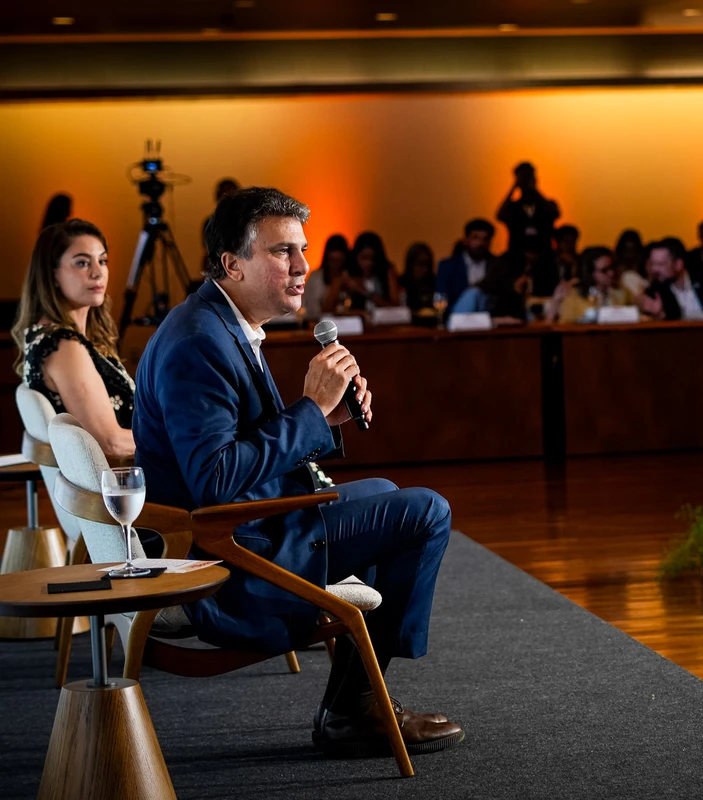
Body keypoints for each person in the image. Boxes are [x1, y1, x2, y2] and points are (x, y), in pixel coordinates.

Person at [132, 187, 463, 755]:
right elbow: (213, 480)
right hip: (228, 553)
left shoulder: (220, 322)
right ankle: (355, 707)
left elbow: (235, 450)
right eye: (283, 252)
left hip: (246, 522)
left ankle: (357, 696)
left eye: (302, 250)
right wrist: (308, 411)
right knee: (426, 511)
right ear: (231, 264)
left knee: (386, 491)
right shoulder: (198, 343)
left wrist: (324, 419)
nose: (303, 266)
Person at [11, 219, 135, 458]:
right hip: (126, 484)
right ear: (52, 274)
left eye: (102, 261)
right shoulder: (63, 346)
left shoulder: (51, 337)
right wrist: (180, 440)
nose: (98, 272)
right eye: (82, 263)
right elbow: (110, 442)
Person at [544, 246, 632, 323]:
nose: (611, 273)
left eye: (612, 268)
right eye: (604, 270)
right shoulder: (573, 296)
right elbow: (567, 325)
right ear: (590, 273)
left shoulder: (622, 292)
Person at [496, 161, 560, 259]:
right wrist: (513, 188)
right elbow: (500, 215)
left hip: (544, 257)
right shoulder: (513, 208)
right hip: (516, 257)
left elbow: (555, 214)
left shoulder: (546, 205)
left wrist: (534, 189)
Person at [640, 237, 703, 321]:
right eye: (652, 264)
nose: (654, 269)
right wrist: (657, 317)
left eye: (661, 264)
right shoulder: (654, 291)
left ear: (678, 264)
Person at [435, 219, 499, 309]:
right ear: (466, 240)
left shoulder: (498, 265)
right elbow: (442, 298)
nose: (480, 243)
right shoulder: (448, 266)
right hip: (455, 319)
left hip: (490, 319)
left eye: (485, 239)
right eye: (475, 238)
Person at [344, 232, 400, 309]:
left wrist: (363, 291)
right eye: (364, 258)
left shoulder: (387, 271)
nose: (369, 263)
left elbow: (396, 305)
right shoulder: (348, 274)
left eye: (373, 259)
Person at [304, 234, 349, 317]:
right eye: (332, 260)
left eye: (339, 260)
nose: (336, 265)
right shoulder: (315, 278)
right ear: (327, 259)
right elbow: (313, 311)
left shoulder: (350, 277)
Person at [400, 242, 438, 313]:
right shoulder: (401, 283)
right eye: (421, 264)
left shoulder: (433, 282)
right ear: (411, 264)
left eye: (428, 264)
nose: (425, 269)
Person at [614, 229, 649, 299]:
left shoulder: (647, 276)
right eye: (626, 251)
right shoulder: (613, 276)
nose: (629, 255)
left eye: (632, 251)